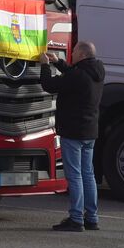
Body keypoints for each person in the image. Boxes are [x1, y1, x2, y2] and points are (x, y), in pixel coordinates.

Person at [40, 41, 105, 232]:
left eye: (75, 51)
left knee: (75, 176)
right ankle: (92, 218)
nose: (73, 54)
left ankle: (76, 218)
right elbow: (75, 74)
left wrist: (44, 65)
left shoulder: (78, 75)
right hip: (90, 131)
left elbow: (49, 85)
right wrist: (58, 62)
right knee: (88, 175)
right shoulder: (98, 71)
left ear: (83, 55)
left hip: (73, 132)